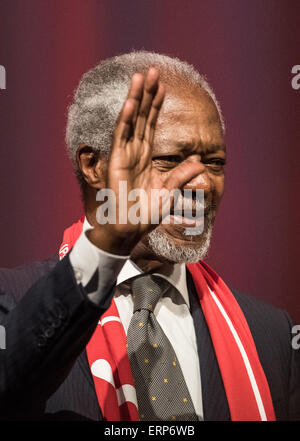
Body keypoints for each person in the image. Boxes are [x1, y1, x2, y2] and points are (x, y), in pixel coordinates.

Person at [0, 51, 299, 421]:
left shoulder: (271, 335)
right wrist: (110, 241)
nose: (202, 182)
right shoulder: (13, 301)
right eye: (170, 160)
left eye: (215, 162)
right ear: (94, 165)